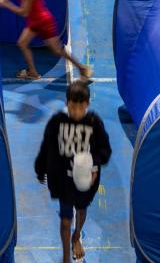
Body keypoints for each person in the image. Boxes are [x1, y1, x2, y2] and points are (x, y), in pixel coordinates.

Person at [35, 81, 112, 263]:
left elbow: (105, 149)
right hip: (63, 179)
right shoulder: (57, 121)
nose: (77, 112)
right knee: (65, 219)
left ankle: (76, 236)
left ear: (88, 105)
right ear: (66, 102)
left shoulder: (93, 122)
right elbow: (46, 146)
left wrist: (95, 166)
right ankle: (65, 257)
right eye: (72, 107)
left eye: (81, 107)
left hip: (86, 178)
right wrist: (40, 169)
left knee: (82, 209)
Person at [0, 0, 91, 81]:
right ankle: (32, 71)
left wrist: (7, 4)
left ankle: (82, 68)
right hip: (35, 21)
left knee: (57, 50)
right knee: (22, 43)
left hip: (43, 22)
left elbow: (24, 12)